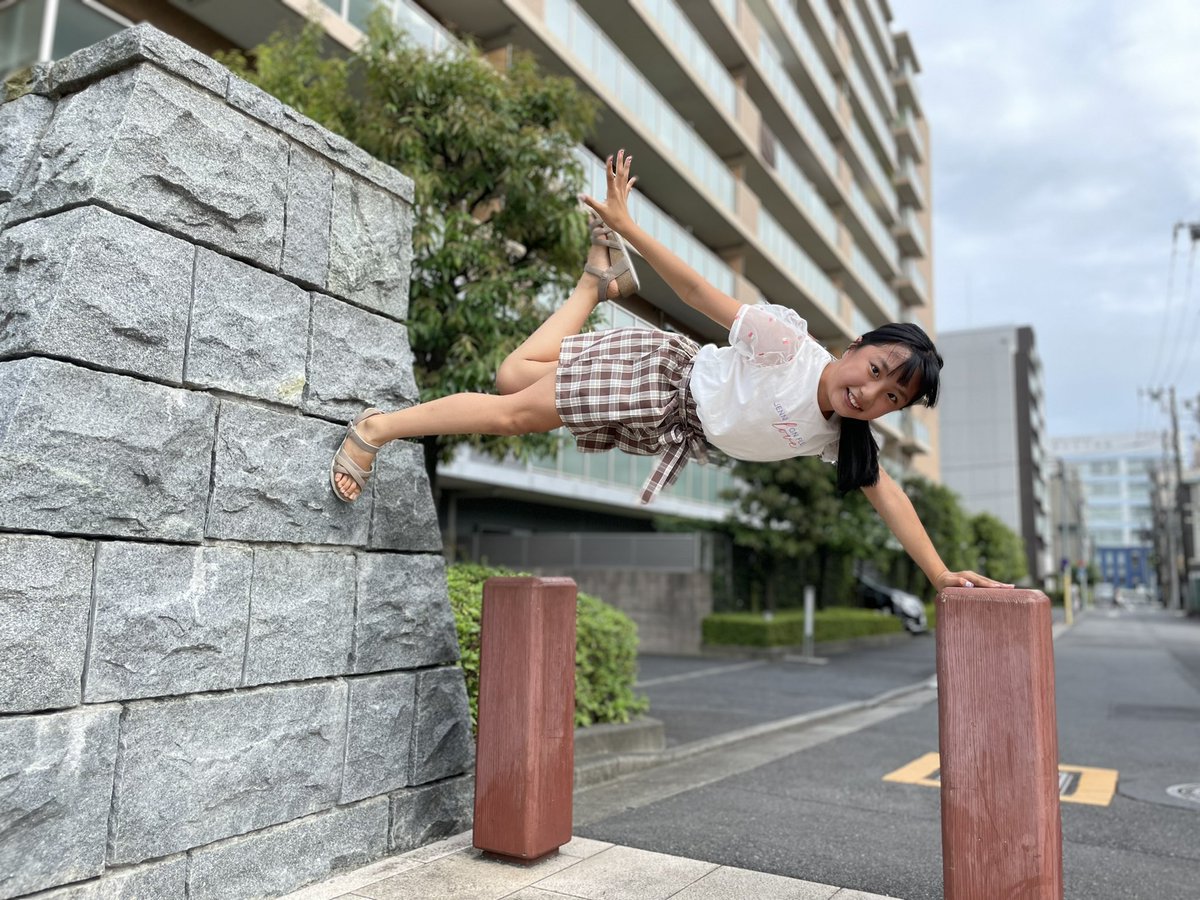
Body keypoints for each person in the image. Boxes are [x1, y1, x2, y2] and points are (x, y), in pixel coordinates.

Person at [330, 150, 1011, 592]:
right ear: (858, 345)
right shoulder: (787, 344)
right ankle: (377, 428)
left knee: (514, 378)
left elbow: (891, 498)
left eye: (891, 397)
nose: (870, 392)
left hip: (669, 421)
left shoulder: (841, 436)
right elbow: (696, 293)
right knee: (514, 413)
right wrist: (628, 225)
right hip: (660, 378)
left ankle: (596, 284)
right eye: (877, 369)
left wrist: (942, 575)